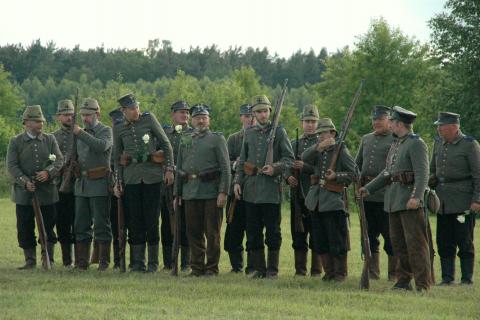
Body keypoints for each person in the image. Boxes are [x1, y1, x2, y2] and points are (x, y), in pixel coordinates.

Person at [360, 106, 432, 291]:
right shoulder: (397, 143)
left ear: (399, 123)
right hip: (394, 201)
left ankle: (423, 283)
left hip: (409, 202)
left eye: (391, 121)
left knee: (416, 245)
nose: (389, 124)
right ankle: (403, 281)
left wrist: (416, 196)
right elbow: (388, 174)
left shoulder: (416, 143)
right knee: (398, 244)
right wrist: (367, 189)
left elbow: (422, 173)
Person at [233, 95, 294, 278]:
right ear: (253, 114)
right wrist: (237, 181)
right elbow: (243, 160)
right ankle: (258, 269)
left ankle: (272, 270)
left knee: (273, 232)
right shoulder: (249, 133)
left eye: (265, 111)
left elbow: (289, 159)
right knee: (252, 231)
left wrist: (274, 168)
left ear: (269, 112)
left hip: (270, 190)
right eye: (258, 111)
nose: (262, 114)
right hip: (251, 189)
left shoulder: (279, 132)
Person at [113, 93, 174, 272]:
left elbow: (166, 144)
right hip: (131, 178)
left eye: (137, 107)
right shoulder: (118, 127)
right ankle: (137, 263)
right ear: (124, 111)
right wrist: (118, 181)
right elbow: (117, 157)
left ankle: (153, 263)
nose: (136, 111)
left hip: (152, 177)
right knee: (134, 221)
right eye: (132, 109)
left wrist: (169, 169)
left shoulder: (149, 120)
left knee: (152, 220)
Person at [174, 104, 230, 276]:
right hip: (190, 191)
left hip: (211, 193)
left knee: (212, 233)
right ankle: (197, 267)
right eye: (197, 117)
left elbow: (226, 168)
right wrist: (178, 193)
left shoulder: (217, 139)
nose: (200, 120)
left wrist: (223, 192)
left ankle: (212, 268)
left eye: (204, 117)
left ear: (209, 120)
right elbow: (180, 167)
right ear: (192, 120)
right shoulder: (186, 137)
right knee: (193, 232)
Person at [7, 105, 63, 269]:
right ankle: (30, 260)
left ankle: (48, 258)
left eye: (42, 121)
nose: (41, 124)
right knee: (24, 227)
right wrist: (24, 181)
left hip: (47, 193)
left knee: (49, 226)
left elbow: (59, 161)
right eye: (37, 121)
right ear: (27, 123)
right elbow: (11, 166)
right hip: (24, 194)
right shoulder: (16, 141)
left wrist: (48, 172)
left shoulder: (50, 139)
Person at [302, 118, 357, 282]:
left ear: (332, 133)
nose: (320, 136)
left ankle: (340, 274)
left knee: (337, 240)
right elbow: (304, 157)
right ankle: (329, 272)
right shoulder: (318, 150)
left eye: (324, 133)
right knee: (320, 240)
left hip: (333, 201)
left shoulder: (341, 150)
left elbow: (354, 173)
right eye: (319, 133)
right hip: (316, 201)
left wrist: (336, 176)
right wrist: (319, 147)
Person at [429, 112, 480, 285]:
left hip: (463, 203)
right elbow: (432, 171)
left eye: (441, 125)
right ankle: (447, 278)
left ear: (452, 127)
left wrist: (477, 200)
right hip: (442, 202)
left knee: (464, 240)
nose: (438, 129)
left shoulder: (470, 145)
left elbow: (478, 175)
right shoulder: (438, 144)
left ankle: (466, 279)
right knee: (444, 241)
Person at [355, 105, 397, 280]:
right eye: (374, 119)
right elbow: (356, 165)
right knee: (369, 235)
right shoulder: (366, 139)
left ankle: (394, 273)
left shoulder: (396, 139)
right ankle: (372, 272)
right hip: (367, 196)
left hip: (386, 196)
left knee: (390, 236)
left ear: (389, 120)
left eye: (380, 119)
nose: (377, 122)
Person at [73, 98, 113, 270]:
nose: (85, 118)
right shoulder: (78, 133)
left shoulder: (106, 131)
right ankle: (81, 262)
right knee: (81, 224)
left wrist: (80, 133)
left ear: (97, 114)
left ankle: (103, 262)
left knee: (101, 225)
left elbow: (101, 146)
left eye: (88, 115)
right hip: (81, 184)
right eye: (83, 115)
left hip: (99, 183)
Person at [285, 105, 322, 276]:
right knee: (298, 235)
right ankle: (300, 270)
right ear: (301, 123)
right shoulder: (293, 144)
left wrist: (305, 167)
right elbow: (285, 162)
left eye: (313, 121)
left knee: (316, 235)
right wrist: (288, 177)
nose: (310, 125)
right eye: (307, 121)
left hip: (316, 196)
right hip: (297, 196)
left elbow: (323, 169)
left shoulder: (322, 144)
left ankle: (316, 271)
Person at [160, 100, 193, 271]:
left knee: (185, 223)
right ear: (173, 114)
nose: (185, 115)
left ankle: (186, 263)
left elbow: (188, 158)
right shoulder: (164, 133)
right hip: (165, 184)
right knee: (166, 224)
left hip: (185, 184)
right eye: (181, 112)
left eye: (187, 113)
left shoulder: (190, 134)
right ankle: (168, 262)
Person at [224, 103, 256, 273]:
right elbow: (225, 162)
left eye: (252, 115)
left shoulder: (262, 138)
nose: (250, 119)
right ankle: (236, 266)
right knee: (233, 228)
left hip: (254, 190)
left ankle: (252, 266)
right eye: (247, 116)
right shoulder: (234, 138)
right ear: (241, 117)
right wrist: (237, 163)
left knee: (253, 229)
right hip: (235, 191)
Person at [53, 100, 76, 267]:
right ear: (58, 117)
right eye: (66, 115)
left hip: (80, 185)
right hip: (59, 187)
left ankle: (81, 260)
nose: (70, 117)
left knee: (80, 223)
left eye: (71, 114)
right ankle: (67, 260)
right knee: (62, 223)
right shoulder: (53, 137)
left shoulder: (82, 133)